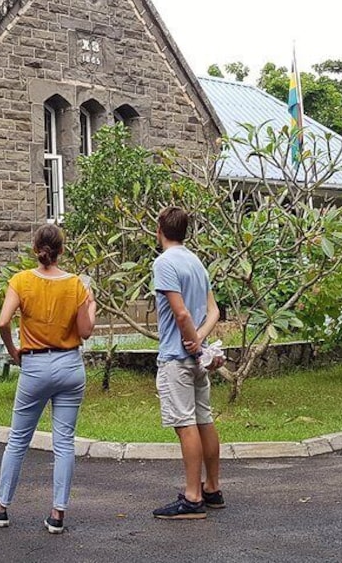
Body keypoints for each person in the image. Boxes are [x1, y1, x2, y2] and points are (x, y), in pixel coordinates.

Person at [0, 224, 96, 534]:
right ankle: (58, 513)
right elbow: (85, 331)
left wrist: (14, 351)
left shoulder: (20, 281)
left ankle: (1, 507)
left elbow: (4, 321)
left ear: (36, 249)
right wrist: (91, 304)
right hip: (70, 365)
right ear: (62, 249)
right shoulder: (76, 285)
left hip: (35, 364)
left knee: (18, 440)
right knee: (64, 443)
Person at [151, 206, 226, 520]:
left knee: (186, 425)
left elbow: (181, 313)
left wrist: (192, 342)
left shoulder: (164, 262)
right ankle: (212, 488)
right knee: (204, 420)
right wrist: (200, 343)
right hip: (197, 359)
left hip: (177, 359)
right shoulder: (197, 262)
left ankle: (193, 497)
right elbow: (214, 312)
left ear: (160, 230)